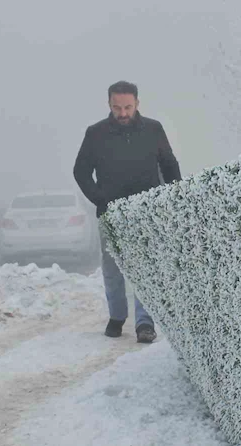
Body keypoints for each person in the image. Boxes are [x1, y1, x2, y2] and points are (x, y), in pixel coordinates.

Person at [73, 80, 181, 343]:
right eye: (117, 107)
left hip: (146, 212)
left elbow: (169, 166)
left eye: (128, 107)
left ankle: (145, 323)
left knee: (145, 268)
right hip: (111, 214)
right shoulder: (95, 133)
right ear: (109, 104)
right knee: (112, 269)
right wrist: (101, 199)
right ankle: (117, 316)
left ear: (137, 104)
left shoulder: (154, 130)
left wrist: (173, 198)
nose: (122, 113)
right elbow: (81, 171)